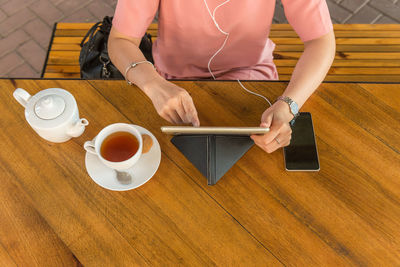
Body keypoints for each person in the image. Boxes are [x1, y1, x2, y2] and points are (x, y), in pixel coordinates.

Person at [108, 0, 336, 154]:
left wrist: (289, 105)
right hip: (169, 82)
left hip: (253, 78)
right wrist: (153, 84)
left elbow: (321, 41)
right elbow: (120, 41)